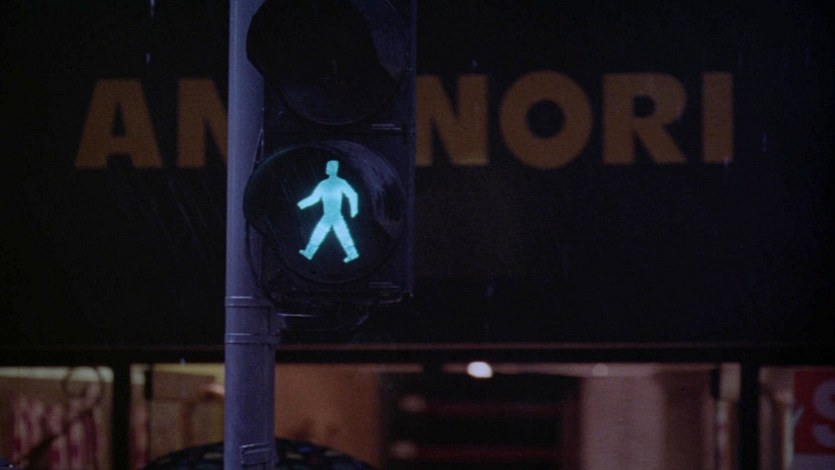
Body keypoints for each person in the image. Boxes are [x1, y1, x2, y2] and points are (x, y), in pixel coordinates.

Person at [297, 160, 360, 263]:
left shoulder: (338, 183)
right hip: (329, 214)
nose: (329, 168)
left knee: (324, 233)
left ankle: (309, 252)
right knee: (338, 234)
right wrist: (301, 204)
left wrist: (354, 210)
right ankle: (352, 253)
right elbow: (314, 198)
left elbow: (353, 195)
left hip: (334, 214)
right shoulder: (325, 184)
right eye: (329, 166)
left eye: (331, 167)